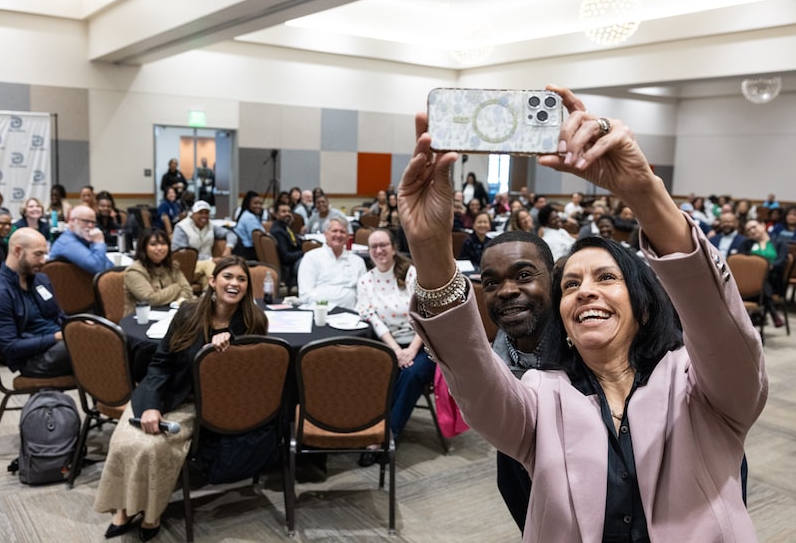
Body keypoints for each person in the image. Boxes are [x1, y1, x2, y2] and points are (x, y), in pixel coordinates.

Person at [397, 85, 766, 541]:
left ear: (644, 307)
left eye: (606, 279)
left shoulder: (704, 390)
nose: (585, 292)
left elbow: (718, 324)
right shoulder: (537, 401)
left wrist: (641, 189)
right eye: (571, 285)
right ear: (563, 318)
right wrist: (431, 248)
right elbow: (471, 372)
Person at [94, 256, 268, 541]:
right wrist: (151, 406)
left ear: (248, 287)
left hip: (205, 404)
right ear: (212, 281)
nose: (234, 283)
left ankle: (152, 514)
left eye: (241, 279)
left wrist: (226, 350)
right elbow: (160, 363)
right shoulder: (187, 314)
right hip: (167, 392)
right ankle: (123, 508)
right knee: (125, 440)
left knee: (153, 448)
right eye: (228, 277)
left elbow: (247, 381)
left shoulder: (253, 322)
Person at [479, 229, 554, 532]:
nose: (506, 290)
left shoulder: (588, 352)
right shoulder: (500, 348)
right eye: (491, 283)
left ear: (554, 277)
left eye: (523, 275)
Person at [355, 228, 435, 466]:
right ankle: (373, 431)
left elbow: (423, 314)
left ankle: (384, 436)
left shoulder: (411, 274)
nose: (379, 251)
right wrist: (395, 350)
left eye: (383, 245)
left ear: (393, 247)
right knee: (377, 373)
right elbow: (372, 318)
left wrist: (411, 350)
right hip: (386, 344)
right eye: (374, 247)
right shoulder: (365, 281)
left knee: (411, 373)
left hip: (421, 342)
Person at [0, 228, 73, 377]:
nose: (44, 260)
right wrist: (56, 337)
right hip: (33, 360)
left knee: (103, 338)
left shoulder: (41, 280)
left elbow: (59, 316)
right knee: (91, 347)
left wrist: (78, 326)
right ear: (17, 251)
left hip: (60, 346)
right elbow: (10, 349)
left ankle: (107, 399)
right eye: (38, 254)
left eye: (44, 254)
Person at [297, 216, 366, 308]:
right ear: (325, 234)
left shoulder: (358, 261)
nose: (338, 235)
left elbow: (364, 295)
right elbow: (305, 295)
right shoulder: (311, 258)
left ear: (348, 237)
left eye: (342, 232)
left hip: (351, 314)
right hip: (319, 313)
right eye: (334, 231)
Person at [124, 227, 193, 316]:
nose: (160, 248)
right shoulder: (134, 271)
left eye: (163, 243)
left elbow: (188, 291)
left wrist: (177, 301)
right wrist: (177, 287)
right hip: (141, 320)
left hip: (170, 315)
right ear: (143, 247)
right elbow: (151, 299)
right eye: (153, 244)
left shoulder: (172, 266)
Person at [171, 200, 237, 290]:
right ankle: (226, 288)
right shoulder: (181, 227)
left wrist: (229, 247)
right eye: (200, 213)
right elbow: (181, 252)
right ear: (193, 214)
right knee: (209, 265)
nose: (204, 216)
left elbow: (231, 234)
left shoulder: (210, 226)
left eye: (206, 213)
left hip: (205, 269)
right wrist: (210, 259)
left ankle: (210, 301)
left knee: (208, 281)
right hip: (186, 267)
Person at [741, 219, 788, 328]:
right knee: (760, 281)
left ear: (762, 225)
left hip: (774, 281)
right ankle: (773, 314)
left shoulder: (779, 242)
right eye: (748, 230)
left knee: (763, 280)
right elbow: (741, 261)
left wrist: (767, 267)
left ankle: (759, 315)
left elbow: (782, 261)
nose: (752, 231)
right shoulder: (747, 244)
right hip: (750, 281)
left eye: (754, 227)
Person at [49, 205, 114, 274]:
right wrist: (99, 242)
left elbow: (110, 266)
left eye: (93, 222)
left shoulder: (83, 239)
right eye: (86, 221)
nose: (90, 225)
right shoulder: (67, 242)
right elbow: (98, 268)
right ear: (72, 221)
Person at [270, 202, 303, 289]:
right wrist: (304, 252)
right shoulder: (277, 232)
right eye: (283, 212)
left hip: (294, 260)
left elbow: (296, 242)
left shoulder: (285, 227)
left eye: (289, 211)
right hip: (290, 267)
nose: (287, 214)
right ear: (276, 215)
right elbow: (286, 257)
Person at [232, 191, 264, 260]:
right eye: (255, 203)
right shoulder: (249, 217)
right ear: (248, 204)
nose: (258, 206)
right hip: (248, 252)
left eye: (260, 204)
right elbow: (257, 238)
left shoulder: (253, 216)